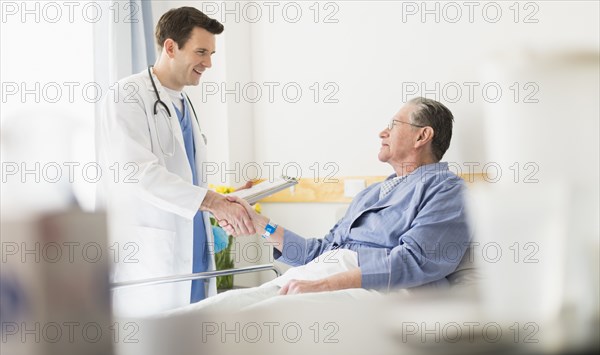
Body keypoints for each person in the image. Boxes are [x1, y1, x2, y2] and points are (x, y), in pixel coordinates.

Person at [96, 7, 254, 317]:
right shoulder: (127, 95)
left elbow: (186, 177)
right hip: (153, 258)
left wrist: (224, 199)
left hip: (194, 248)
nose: (208, 63)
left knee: (194, 346)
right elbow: (136, 172)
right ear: (171, 47)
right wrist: (212, 202)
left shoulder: (183, 102)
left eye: (211, 53)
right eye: (201, 52)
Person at [225, 97, 471, 295]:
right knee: (229, 307)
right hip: (323, 275)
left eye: (394, 125)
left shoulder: (447, 189)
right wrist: (259, 225)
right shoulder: (371, 193)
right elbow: (318, 252)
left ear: (422, 136)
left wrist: (324, 285)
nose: (382, 133)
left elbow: (414, 261)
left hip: (373, 288)